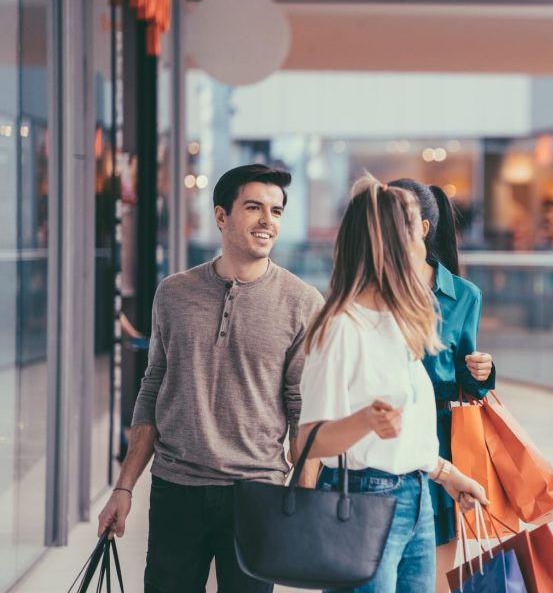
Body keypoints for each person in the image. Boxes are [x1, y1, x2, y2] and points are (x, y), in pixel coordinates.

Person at [96, 164, 325, 592]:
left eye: (276, 211)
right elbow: (152, 390)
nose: (267, 221)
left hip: (257, 493)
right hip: (176, 488)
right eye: (254, 207)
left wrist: (303, 499)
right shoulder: (174, 293)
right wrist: (124, 487)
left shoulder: (302, 303)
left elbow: (303, 410)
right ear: (221, 216)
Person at [296, 176, 488, 593]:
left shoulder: (402, 324)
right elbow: (308, 442)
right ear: (389, 245)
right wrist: (365, 420)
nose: (425, 241)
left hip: (416, 494)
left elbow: (409, 433)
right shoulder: (341, 328)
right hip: (365, 499)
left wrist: (447, 474)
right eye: (415, 230)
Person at [387, 177, 496, 592]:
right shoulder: (372, 289)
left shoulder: (464, 294)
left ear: (423, 227)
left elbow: (467, 379)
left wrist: (482, 372)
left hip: (439, 446)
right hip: (380, 445)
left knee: (430, 580)